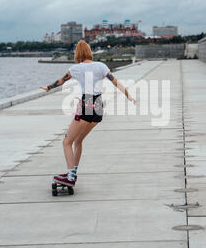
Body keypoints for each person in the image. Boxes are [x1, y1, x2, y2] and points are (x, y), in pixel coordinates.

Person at [40, 40, 136, 187]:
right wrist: (128, 95)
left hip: (87, 104)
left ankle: (70, 177)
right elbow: (115, 81)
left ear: (77, 53)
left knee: (67, 142)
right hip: (98, 105)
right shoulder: (101, 66)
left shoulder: (76, 68)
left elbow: (61, 81)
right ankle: (72, 172)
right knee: (78, 141)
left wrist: (48, 87)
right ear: (89, 52)